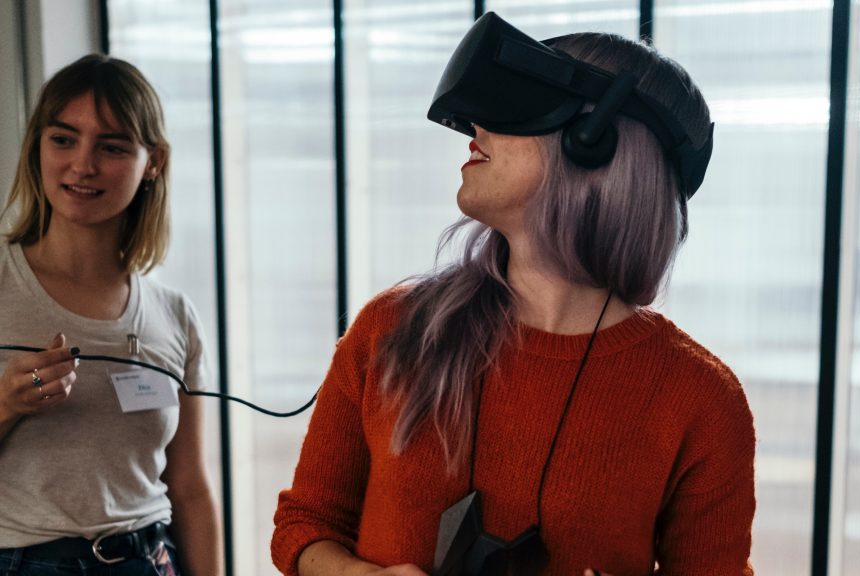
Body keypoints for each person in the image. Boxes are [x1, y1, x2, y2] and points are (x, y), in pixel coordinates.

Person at [272, 13, 755, 576]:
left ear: (591, 143)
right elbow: (305, 522)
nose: (476, 125)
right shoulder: (393, 329)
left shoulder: (700, 400)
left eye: (514, 105)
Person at [0, 54, 223, 575]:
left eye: (113, 146)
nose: (83, 164)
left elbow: (190, 487)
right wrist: (6, 404)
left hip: (148, 561)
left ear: (154, 162)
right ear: (37, 146)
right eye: (63, 139)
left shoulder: (174, 315)